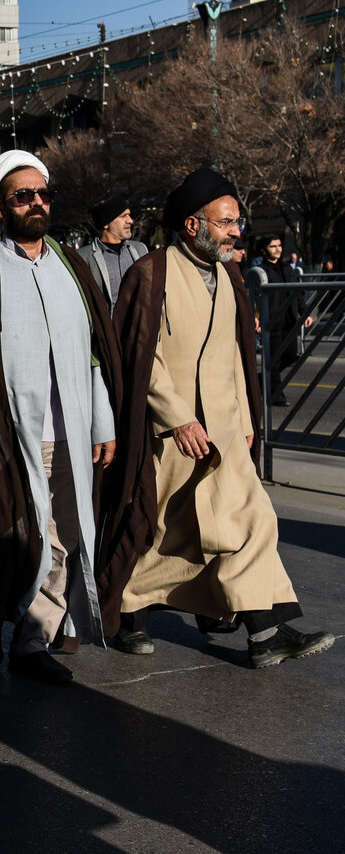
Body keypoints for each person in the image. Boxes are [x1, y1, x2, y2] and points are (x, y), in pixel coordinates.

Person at [99, 168, 333, 669]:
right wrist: (177, 419)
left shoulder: (229, 275)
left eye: (236, 223)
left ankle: (265, 632)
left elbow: (235, 356)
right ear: (192, 225)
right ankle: (131, 611)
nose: (235, 232)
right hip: (171, 434)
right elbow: (142, 357)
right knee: (167, 531)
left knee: (252, 518)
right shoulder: (152, 273)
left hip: (225, 431)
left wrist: (245, 421)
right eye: (226, 223)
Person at [0, 150, 121, 684]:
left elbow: (94, 354)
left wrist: (102, 421)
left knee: (67, 535)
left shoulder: (70, 265)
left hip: (72, 433)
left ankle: (35, 634)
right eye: (23, 196)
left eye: (43, 194)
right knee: (25, 537)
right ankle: (18, 628)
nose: (37, 203)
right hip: (3, 435)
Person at [244, 235, 312, 406]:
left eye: (279, 245)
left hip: (288, 321)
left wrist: (305, 313)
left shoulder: (287, 268)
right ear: (263, 250)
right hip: (271, 322)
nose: (278, 249)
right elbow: (254, 297)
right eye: (273, 246)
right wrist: (257, 318)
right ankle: (276, 395)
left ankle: (261, 380)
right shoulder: (259, 271)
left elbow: (298, 293)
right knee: (273, 361)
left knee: (290, 356)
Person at [78, 196, 147, 312]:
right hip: (107, 323)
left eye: (129, 215)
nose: (130, 220)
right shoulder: (83, 257)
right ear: (106, 224)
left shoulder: (140, 250)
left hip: (139, 322)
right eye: (123, 216)